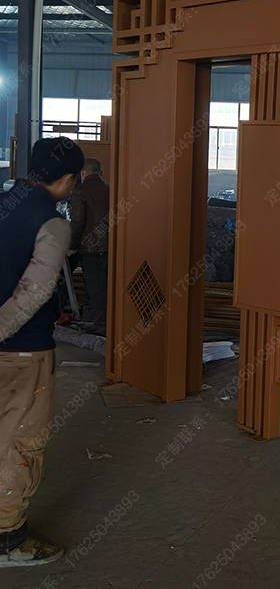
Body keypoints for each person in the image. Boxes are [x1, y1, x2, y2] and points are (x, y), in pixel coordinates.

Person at [0, 136, 84, 567]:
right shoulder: (51, 223)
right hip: (23, 353)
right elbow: (33, 294)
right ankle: (8, 539)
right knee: (18, 442)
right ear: (67, 179)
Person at [69, 158, 109, 336]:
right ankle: (99, 320)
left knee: (95, 286)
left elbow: (77, 222)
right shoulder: (110, 189)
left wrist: (71, 245)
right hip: (111, 247)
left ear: (83, 173)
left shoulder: (80, 191)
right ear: (100, 172)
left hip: (91, 248)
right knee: (106, 285)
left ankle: (101, 327)